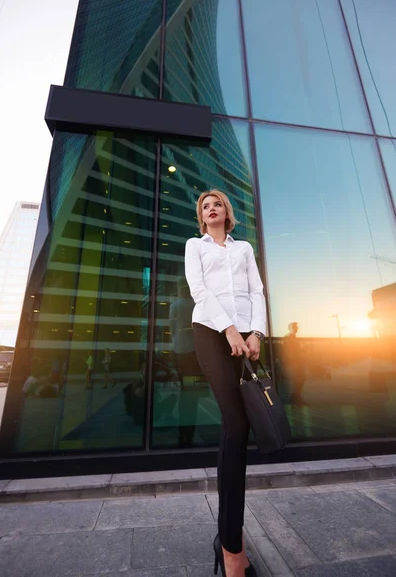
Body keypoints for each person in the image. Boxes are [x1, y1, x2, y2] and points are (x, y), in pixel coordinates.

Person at [185, 189, 266, 577]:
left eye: (216, 203)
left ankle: (228, 535)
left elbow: (257, 291)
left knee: (238, 427)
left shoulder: (244, 248)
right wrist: (231, 329)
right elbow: (198, 290)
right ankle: (232, 548)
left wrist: (257, 334)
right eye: (205, 206)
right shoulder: (194, 246)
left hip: (245, 338)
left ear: (226, 212)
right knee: (235, 421)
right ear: (201, 217)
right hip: (211, 332)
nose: (211, 208)